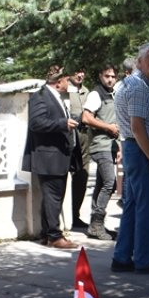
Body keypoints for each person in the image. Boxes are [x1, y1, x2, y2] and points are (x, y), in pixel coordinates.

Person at [112, 43, 149, 274]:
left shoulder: (132, 84)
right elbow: (137, 127)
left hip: (135, 150)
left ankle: (122, 257)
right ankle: (144, 260)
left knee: (133, 205)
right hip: (142, 151)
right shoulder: (138, 87)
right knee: (147, 207)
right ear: (139, 62)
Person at [26, 68, 81, 250]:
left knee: (52, 196)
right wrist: (62, 123)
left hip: (58, 156)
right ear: (58, 82)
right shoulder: (40, 96)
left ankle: (46, 233)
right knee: (53, 196)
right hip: (48, 157)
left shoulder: (54, 96)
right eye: (66, 80)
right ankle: (54, 236)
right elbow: (36, 123)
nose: (69, 83)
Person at [81, 66, 121, 240]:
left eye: (113, 76)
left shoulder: (114, 93)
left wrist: (118, 146)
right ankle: (97, 224)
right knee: (109, 183)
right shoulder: (96, 94)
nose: (110, 79)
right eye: (107, 76)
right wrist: (108, 128)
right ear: (100, 76)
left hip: (111, 146)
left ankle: (95, 225)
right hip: (100, 145)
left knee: (100, 184)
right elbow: (86, 117)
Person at [67, 69, 92, 232]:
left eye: (83, 71)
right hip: (70, 137)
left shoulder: (87, 92)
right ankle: (67, 214)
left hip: (85, 136)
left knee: (83, 175)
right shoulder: (64, 91)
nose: (80, 75)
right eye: (76, 71)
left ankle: (75, 214)